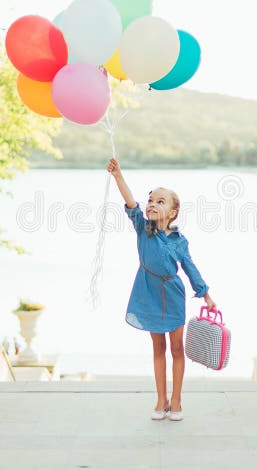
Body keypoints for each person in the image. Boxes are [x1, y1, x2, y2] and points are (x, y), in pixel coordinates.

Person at [107, 157, 216, 422]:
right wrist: (118, 175)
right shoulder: (143, 229)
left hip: (174, 295)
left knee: (177, 349)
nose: (153, 204)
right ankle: (160, 398)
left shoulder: (180, 241)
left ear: (173, 212)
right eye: (151, 200)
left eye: (160, 201)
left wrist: (206, 295)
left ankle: (176, 399)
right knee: (158, 348)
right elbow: (131, 202)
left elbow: (190, 268)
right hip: (148, 293)